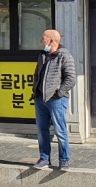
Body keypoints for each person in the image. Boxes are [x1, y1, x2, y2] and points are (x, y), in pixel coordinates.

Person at [32, 29, 76, 172]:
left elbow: (71, 78)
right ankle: (44, 158)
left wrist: (59, 93)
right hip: (40, 98)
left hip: (56, 99)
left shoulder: (65, 56)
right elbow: (37, 74)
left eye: (43, 38)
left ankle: (64, 160)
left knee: (60, 130)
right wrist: (35, 91)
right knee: (42, 130)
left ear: (51, 40)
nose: (41, 41)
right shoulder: (43, 55)